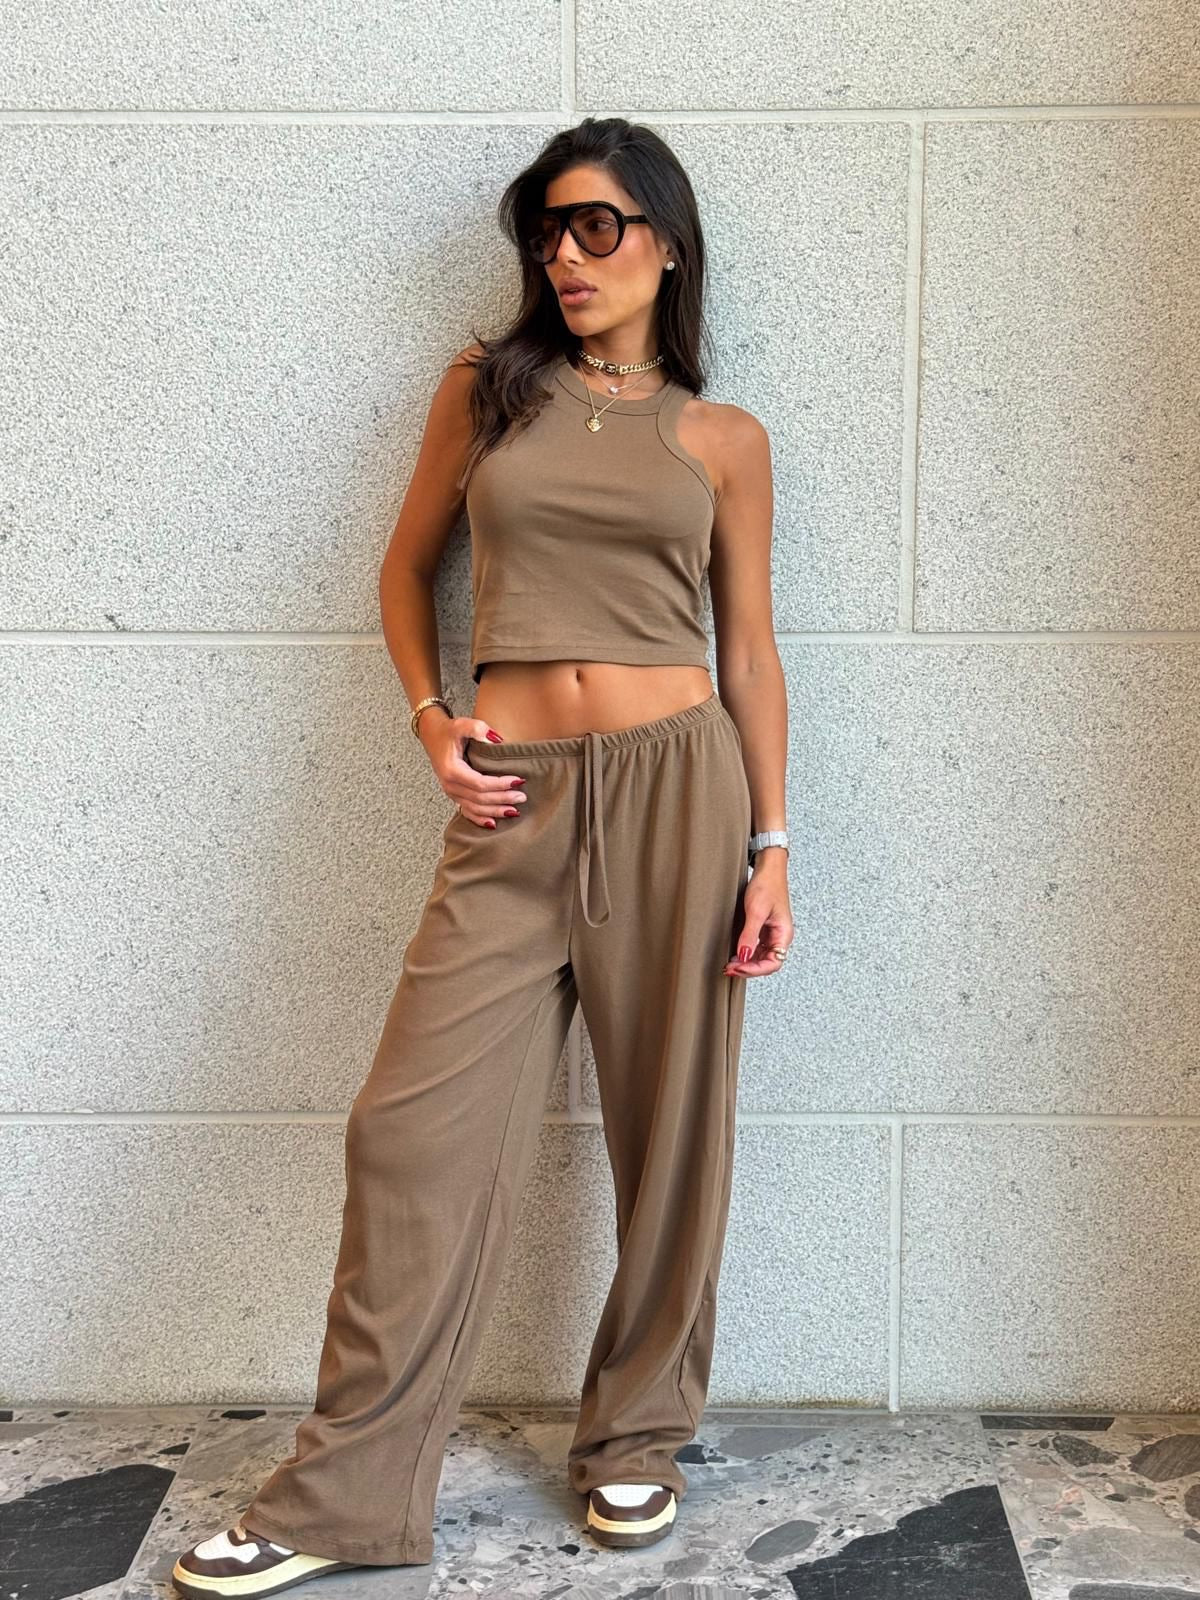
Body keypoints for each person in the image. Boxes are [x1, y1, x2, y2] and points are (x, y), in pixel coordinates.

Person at [173, 114, 793, 1599]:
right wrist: (432, 718)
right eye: (547, 230)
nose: (565, 255)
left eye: (596, 226)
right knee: (409, 1133)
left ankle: (637, 1432)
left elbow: (752, 653)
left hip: (681, 789)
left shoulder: (723, 438)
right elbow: (404, 568)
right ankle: (343, 1495)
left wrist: (771, 845)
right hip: (511, 802)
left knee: (674, 1134)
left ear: (666, 243)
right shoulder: (489, 389)